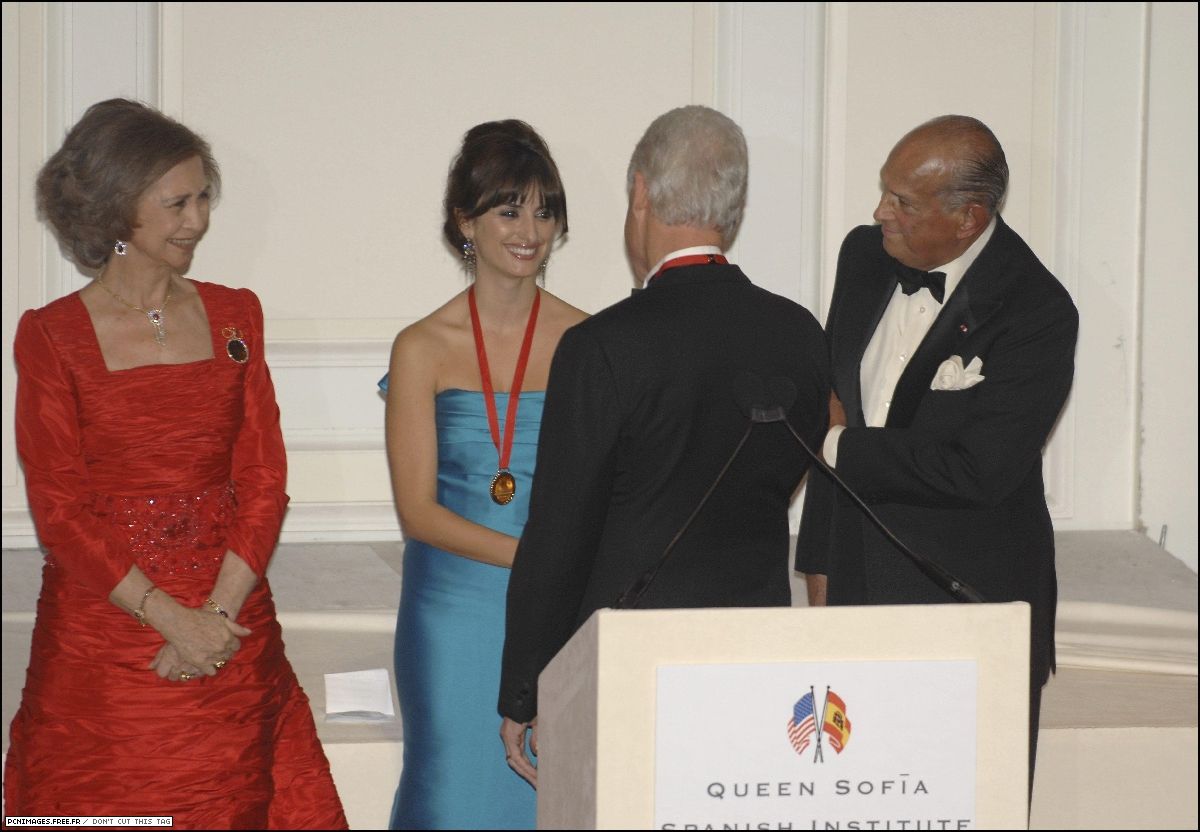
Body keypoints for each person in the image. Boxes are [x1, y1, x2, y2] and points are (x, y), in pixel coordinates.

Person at [5, 98, 347, 828]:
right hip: (107, 647)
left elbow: (264, 479)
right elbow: (59, 511)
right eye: (177, 203)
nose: (198, 220)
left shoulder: (236, 314)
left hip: (233, 631)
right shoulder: (52, 336)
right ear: (116, 207)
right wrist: (170, 620)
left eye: (203, 199)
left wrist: (214, 617)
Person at [497, 105, 831, 787]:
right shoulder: (799, 334)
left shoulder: (601, 346)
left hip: (629, 667)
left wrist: (526, 689)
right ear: (733, 206)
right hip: (757, 654)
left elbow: (560, 532)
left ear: (641, 194)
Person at [796, 115, 1078, 791]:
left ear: (968, 218)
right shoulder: (863, 257)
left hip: (969, 608)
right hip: (855, 599)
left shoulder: (1037, 309)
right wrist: (819, 567)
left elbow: (979, 471)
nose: (880, 213)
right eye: (884, 192)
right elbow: (840, 397)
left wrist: (834, 444)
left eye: (903, 202)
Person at [381, 120, 586, 829]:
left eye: (544, 211)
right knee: (453, 794)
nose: (530, 231)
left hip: (560, 608)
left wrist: (561, 572)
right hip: (452, 613)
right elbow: (418, 513)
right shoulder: (420, 346)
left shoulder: (590, 341)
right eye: (509, 210)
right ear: (465, 221)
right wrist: (538, 557)